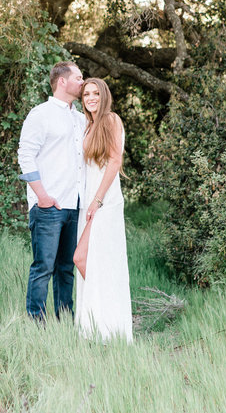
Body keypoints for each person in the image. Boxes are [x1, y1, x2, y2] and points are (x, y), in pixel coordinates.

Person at [17, 60, 86, 322]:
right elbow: (25, 155)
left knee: (66, 268)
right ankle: (37, 322)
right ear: (62, 81)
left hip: (74, 205)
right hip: (48, 206)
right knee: (43, 267)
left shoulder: (79, 119)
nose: (82, 82)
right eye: (78, 78)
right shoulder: (40, 114)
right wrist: (42, 197)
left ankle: (65, 320)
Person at [72, 77, 132, 342]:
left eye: (96, 93)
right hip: (89, 201)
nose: (91, 98)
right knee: (89, 261)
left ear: (104, 95)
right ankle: (95, 326)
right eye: (86, 94)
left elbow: (114, 160)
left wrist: (98, 200)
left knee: (90, 260)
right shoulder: (89, 125)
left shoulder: (110, 120)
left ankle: (111, 326)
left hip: (104, 201)